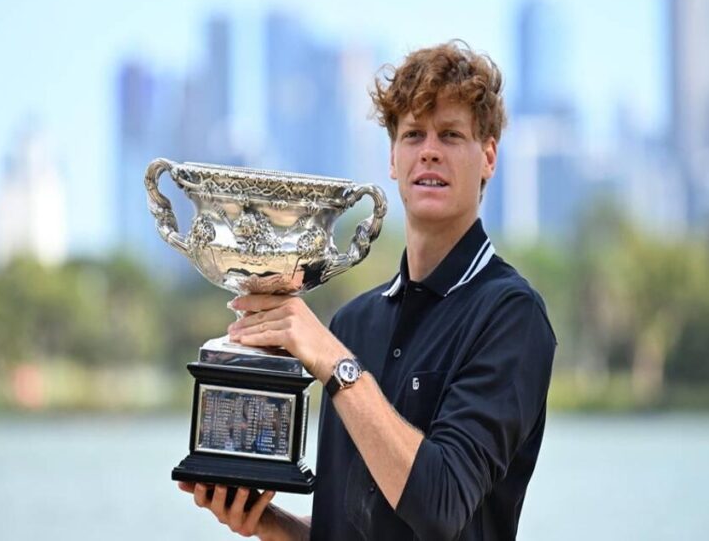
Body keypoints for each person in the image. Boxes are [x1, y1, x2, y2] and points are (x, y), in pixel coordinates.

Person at [179, 40, 556, 540]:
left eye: (450, 135)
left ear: (488, 155)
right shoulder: (354, 323)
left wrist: (336, 365)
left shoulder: (511, 315)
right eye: (413, 134)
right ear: (393, 160)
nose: (429, 151)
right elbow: (351, 527)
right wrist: (272, 524)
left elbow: (441, 505)